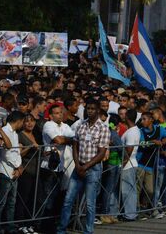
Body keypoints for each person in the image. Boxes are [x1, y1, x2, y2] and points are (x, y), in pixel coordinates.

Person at [57, 98, 109, 234]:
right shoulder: (81, 125)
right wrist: (78, 164)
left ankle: (88, 231)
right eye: (88, 108)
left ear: (98, 110)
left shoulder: (103, 128)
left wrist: (85, 167)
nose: (90, 111)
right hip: (78, 167)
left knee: (90, 204)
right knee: (68, 200)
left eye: (92, 109)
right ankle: (61, 230)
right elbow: (75, 145)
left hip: (93, 169)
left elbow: (102, 153)